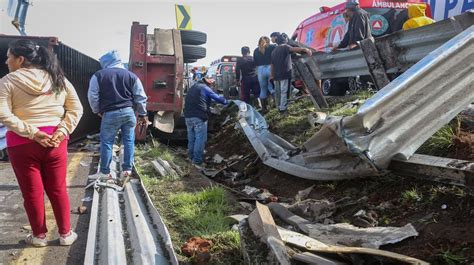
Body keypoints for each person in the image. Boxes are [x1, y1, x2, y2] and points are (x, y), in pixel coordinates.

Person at [0, 39, 83, 247]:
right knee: (58, 188)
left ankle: (39, 236)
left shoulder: (8, 81)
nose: (6, 60)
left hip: (22, 144)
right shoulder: (58, 79)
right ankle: (65, 234)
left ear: (20, 59)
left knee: (32, 192)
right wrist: (62, 130)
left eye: (9, 56)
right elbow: (76, 109)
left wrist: (32, 132)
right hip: (56, 142)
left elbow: (3, 114)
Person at [87, 50, 148, 180]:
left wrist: (96, 110)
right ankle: (127, 170)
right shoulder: (132, 76)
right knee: (129, 141)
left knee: (107, 142)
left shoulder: (98, 75)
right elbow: (140, 96)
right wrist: (142, 114)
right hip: (128, 112)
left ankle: (105, 172)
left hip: (110, 114)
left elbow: (92, 96)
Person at [184, 76, 228, 169]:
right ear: (208, 83)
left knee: (191, 138)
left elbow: (202, 99)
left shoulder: (193, 87)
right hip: (199, 116)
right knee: (200, 139)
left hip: (188, 116)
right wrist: (227, 102)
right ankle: (197, 162)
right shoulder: (205, 88)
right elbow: (218, 99)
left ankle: (191, 158)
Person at [271, 34, 312, 113]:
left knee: (279, 91)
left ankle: (280, 106)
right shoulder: (285, 47)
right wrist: (305, 49)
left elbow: (272, 64)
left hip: (276, 74)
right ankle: (283, 108)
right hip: (284, 73)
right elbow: (293, 49)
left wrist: (271, 75)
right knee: (284, 91)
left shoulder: (274, 51)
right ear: (284, 41)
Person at [253, 36, 276, 112]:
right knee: (273, 87)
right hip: (270, 68)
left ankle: (264, 108)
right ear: (268, 41)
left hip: (260, 70)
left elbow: (255, 63)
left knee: (263, 89)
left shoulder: (256, 50)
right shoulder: (272, 47)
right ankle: (276, 103)